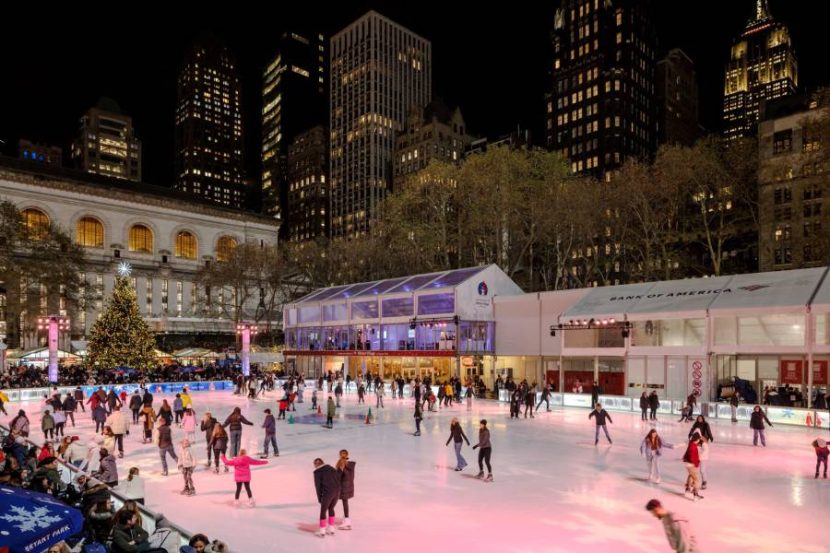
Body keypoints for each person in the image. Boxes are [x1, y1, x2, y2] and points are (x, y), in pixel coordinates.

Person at [313, 457, 341, 537]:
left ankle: (322, 531)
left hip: (327, 493)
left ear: (315, 464)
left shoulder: (317, 472)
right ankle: (331, 529)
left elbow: (318, 487)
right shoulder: (331, 468)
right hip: (337, 492)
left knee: (323, 511)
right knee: (331, 508)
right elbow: (338, 479)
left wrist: (319, 498)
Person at [336, 449, 356, 530]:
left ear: (340, 455)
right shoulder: (351, 464)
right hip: (349, 486)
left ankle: (347, 521)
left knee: (330, 502)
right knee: (345, 502)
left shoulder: (341, 464)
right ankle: (346, 519)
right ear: (347, 455)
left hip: (342, 487)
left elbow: (338, 476)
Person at [682, 434, 703, 501]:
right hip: (691, 464)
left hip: (687, 463)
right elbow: (692, 457)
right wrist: (697, 463)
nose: (699, 440)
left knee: (691, 475)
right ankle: (695, 495)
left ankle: (687, 490)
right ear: (697, 439)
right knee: (696, 479)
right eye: (699, 439)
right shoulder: (693, 446)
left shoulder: (691, 444)